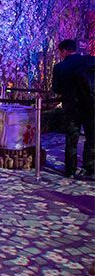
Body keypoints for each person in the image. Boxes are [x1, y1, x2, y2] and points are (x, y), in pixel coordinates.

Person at [52, 39, 95, 179]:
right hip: (91, 106)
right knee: (91, 137)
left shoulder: (60, 67)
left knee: (71, 138)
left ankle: (70, 170)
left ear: (64, 51)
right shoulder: (90, 61)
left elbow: (57, 89)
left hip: (71, 108)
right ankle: (89, 167)